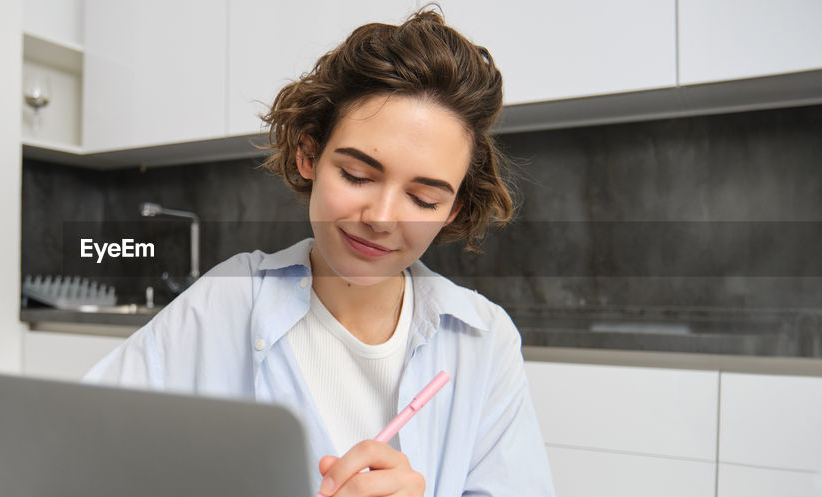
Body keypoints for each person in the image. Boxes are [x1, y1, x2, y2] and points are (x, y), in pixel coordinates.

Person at [84, 8, 555, 497]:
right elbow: (79, 451)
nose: (382, 217)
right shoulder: (228, 302)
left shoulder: (483, 341)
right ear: (309, 155)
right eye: (357, 175)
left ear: (452, 210)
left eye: (424, 199)